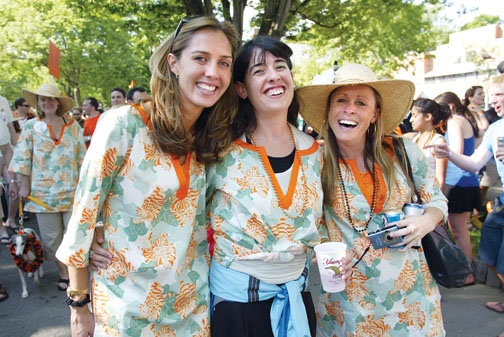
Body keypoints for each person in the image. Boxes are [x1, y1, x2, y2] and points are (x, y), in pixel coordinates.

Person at [55, 16, 239, 336]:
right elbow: (84, 215)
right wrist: (78, 303)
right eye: (200, 58)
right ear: (173, 63)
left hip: (192, 310)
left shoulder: (215, 137)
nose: (213, 72)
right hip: (125, 310)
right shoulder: (124, 124)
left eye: (224, 63)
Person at [206, 36, 352, 337]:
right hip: (236, 306)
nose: (273, 75)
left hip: (297, 297)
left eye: (280, 66)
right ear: (241, 88)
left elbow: (322, 221)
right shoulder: (220, 151)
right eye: (259, 70)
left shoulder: (314, 152)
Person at [297, 63, 448, 336]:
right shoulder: (314, 163)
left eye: (361, 103)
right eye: (341, 100)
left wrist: (426, 221)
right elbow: (307, 224)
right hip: (350, 304)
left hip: (413, 299)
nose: (350, 109)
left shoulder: (403, 152)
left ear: (375, 113)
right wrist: (322, 251)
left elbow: (437, 201)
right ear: (330, 110)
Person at [428, 74, 504, 325]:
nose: (495, 100)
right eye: (493, 95)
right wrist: (448, 152)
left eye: (500, 95)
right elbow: (473, 163)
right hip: (502, 202)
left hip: (473, 192)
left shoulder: (460, 121)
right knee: (491, 255)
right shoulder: (495, 129)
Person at [8, 83, 86, 293]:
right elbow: (23, 156)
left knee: (75, 236)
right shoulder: (31, 126)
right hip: (42, 196)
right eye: (43, 99)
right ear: (39, 103)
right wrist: (22, 184)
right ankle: (63, 273)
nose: (47, 102)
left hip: (72, 192)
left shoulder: (73, 126)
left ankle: (75, 274)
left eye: (51, 99)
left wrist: (88, 186)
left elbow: (83, 158)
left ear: (58, 102)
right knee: (52, 241)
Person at [435, 91, 479, 285]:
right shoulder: (459, 120)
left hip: (460, 182)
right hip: (461, 181)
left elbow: (456, 152)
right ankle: (463, 270)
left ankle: (467, 273)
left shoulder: (455, 121)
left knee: (459, 230)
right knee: (456, 229)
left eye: (440, 109)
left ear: (450, 107)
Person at [403, 98, 451, 191]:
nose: (411, 120)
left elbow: (440, 180)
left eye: (414, 116)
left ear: (428, 117)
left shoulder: (438, 142)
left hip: (430, 195)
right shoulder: (414, 138)